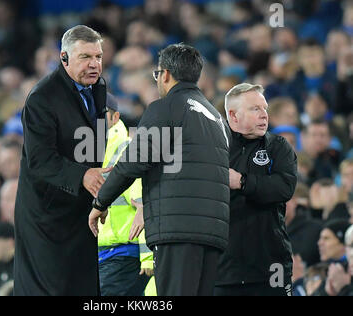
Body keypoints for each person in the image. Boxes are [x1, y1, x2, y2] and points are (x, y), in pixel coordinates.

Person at [89, 43, 231, 296]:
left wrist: (101, 202)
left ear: (165, 74)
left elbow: (133, 162)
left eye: (157, 75)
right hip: (213, 233)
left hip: (176, 230)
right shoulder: (216, 118)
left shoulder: (165, 108)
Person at [14, 25, 110, 296]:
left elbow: (96, 144)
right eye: (85, 57)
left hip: (80, 209)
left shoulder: (99, 87)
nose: (94, 64)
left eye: (99, 57)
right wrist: (83, 176)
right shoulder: (41, 98)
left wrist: (98, 194)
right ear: (64, 58)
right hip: (47, 216)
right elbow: (40, 160)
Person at [215, 83, 297, 296]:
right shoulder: (214, 150)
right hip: (224, 268)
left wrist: (242, 182)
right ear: (233, 115)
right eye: (255, 109)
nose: (264, 115)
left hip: (271, 265)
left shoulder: (278, 146)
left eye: (265, 109)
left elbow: (284, 188)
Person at [97, 93, 154, 296]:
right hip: (103, 255)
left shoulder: (126, 150)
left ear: (115, 117)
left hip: (123, 253)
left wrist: (147, 256)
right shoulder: (91, 154)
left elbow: (144, 204)